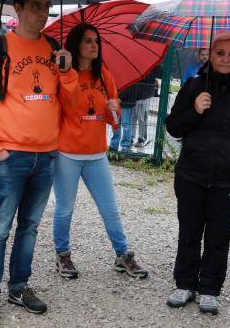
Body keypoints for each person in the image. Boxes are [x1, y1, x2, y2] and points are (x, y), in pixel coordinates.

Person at [0, 0, 77, 328]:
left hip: (45, 156)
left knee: (29, 228)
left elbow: (70, 103)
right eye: (35, 6)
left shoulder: (54, 50)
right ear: (18, 9)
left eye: (46, 6)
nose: (42, 13)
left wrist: (68, 71)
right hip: (9, 155)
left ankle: (19, 286)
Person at [165, 33, 230, 315]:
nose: (226, 59)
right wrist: (195, 110)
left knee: (218, 236)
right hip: (190, 174)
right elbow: (173, 126)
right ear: (209, 54)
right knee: (189, 232)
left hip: (229, 179)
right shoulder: (193, 86)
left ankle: (210, 288)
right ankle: (185, 283)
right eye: (220, 53)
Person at [52, 24, 148, 280]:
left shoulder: (104, 75)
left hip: (97, 154)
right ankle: (63, 255)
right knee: (64, 210)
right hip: (68, 153)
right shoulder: (64, 74)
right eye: (87, 41)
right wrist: (66, 70)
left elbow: (113, 121)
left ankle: (123, 254)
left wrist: (114, 108)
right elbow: (67, 103)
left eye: (96, 41)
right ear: (76, 46)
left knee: (110, 209)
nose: (94, 45)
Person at [130, 66, 159, 150]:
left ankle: (141, 138)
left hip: (145, 94)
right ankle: (131, 138)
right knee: (133, 117)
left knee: (142, 117)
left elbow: (152, 79)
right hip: (134, 94)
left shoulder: (152, 66)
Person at [108, 82, 138, 152]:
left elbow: (129, 86)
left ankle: (125, 146)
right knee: (116, 124)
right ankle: (114, 144)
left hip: (126, 102)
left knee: (126, 125)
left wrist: (119, 97)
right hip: (116, 102)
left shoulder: (131, 75)